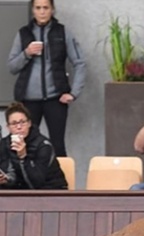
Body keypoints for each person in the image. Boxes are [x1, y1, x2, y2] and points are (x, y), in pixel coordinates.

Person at [7, 0, 86, 158]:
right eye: (38, 8)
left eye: (46, 8)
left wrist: (73, 93)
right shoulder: (24, 33)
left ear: (52, 10)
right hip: (28, 101)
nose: (42, 12)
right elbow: (12, 67)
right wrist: (27, 53)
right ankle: (27, 181)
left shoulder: (62, 32)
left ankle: (61, 181)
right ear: (32, 10)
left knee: (57, 145)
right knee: (26, 143)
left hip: (55, 99)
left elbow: (80, 63)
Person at [0, 102, 68, 190]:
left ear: (29, 123)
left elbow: (36, 183)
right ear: (8, 127)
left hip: (51, 190)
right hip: (22, 191)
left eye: (22, 122)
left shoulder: (43, 145)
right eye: (14, 123)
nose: (19, 127)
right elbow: (10, 173)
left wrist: (23, 157)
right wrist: (6, 179)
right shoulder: (5, 143)